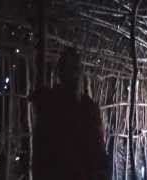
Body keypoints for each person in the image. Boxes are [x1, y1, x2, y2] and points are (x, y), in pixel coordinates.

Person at [29, 47, 107, 180]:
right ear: (61, 73)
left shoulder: (88, 107)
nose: (75, 74)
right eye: (70, 69)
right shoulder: (51, 104)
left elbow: (97, 148)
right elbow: (41, 149)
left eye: (77, 69)